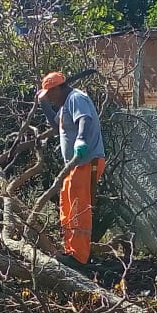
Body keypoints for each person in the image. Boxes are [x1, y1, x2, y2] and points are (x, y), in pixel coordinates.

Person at [37, 71, 106, 267]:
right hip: (73, 166)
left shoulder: (76, 98)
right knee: (67, 205)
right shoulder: (65, 104)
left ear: (59, 88)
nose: (49, 98)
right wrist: (43, 106)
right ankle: (70, 250)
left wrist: (81, 140)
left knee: (78, 209)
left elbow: (85, 119)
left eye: (50, 94)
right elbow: (55, 124)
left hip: (85, 162)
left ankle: (79, 257)